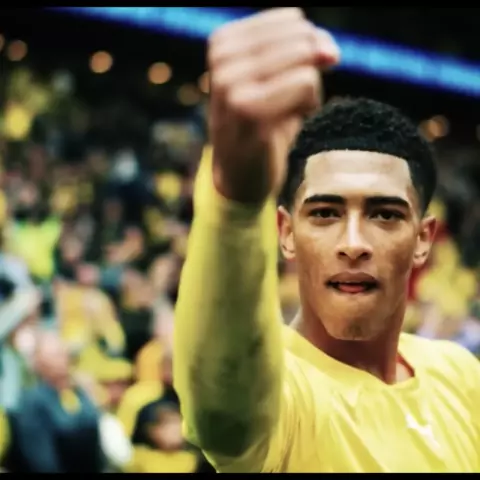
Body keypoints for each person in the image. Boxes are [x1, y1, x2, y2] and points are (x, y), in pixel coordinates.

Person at [173, 7, 480, 473]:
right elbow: (222, 409)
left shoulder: (459, 373)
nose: (353, 243)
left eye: (384, 214)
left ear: (423, 240)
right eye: (324, 213)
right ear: (285, 234)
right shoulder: (280, 391)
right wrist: (236, 197)